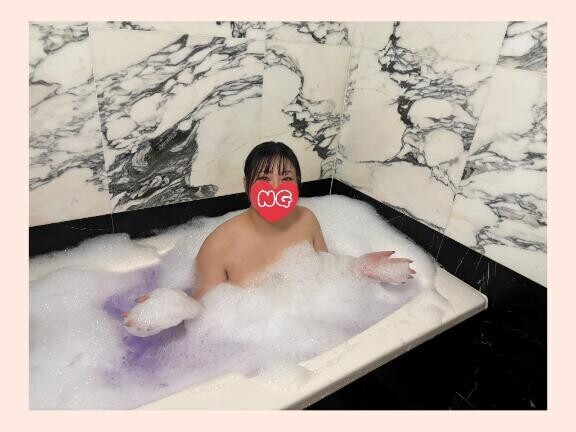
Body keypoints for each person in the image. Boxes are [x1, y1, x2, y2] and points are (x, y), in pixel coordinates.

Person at [123, 141, 415, 335]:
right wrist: (173, 305)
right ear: (246, 185)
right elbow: (203, 311)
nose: (276, 187)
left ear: (298, 185)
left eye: (286, 178)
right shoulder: (219, 245)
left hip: (308, 328)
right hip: (251, 341)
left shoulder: (307, 220)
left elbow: (327, 268)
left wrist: (361, 267)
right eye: (264, 179)